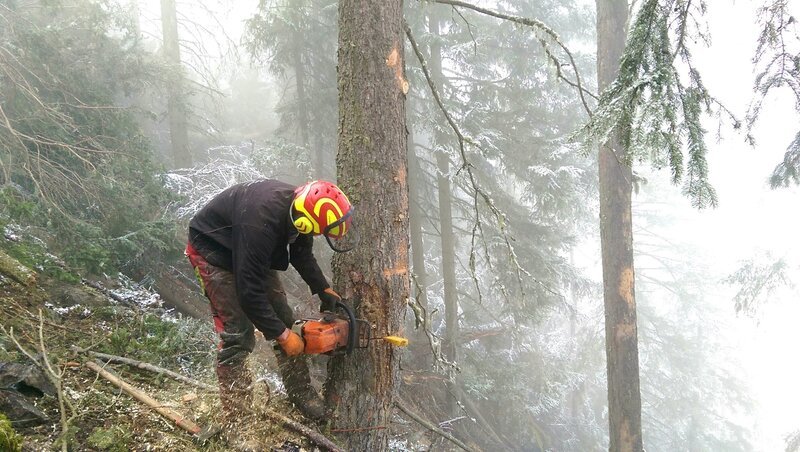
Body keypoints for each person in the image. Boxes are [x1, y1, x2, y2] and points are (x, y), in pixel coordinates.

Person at [184, 179, 354, 423]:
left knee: (285, 319)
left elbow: (301, 252)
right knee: (238, 335)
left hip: (249, 250)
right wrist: (283, 336)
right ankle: (238, 420)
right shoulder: (260, 223)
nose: (316, 234)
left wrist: (322, 288)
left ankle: (300, 393)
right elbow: (249, 292)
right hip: (213, 252)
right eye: (318, 230)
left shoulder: (300, 210)